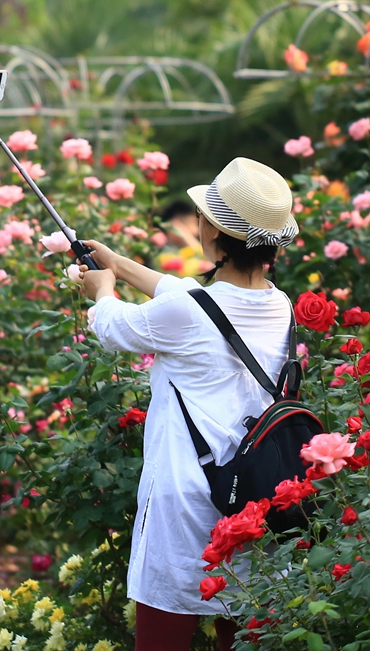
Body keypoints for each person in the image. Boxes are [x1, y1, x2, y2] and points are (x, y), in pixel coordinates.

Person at [73, 157, 298, 651]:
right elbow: (195, 298)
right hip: (248, 493)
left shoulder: (189, 310)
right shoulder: (278, 302)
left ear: (214, 229)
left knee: (163, 637)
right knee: (239, 628)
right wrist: (121, 263)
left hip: (186, 498)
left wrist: (103, 290)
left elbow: (113, 327)